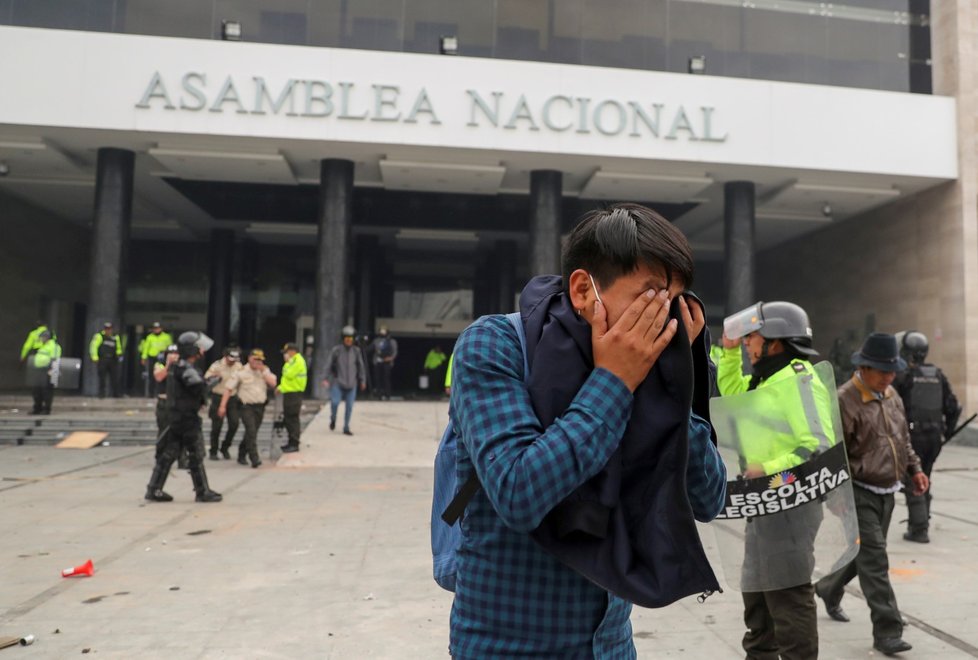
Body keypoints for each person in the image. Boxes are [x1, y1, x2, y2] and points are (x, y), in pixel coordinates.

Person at [448, 203, 726, 657]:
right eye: (651, 295)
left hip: (610, 644)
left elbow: (709, 499)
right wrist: (613, 381)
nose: (666, 317)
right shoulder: (495, 345)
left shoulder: (657, 367)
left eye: (676, 299)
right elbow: (518, 491)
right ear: (584, 290)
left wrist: (678, 383)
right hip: (505, 644)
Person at [717, 301, 832, 660]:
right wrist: (730, 354)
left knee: (788, 597)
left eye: (751, 337)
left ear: (775, 341)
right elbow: (733, 395)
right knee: (757, 598)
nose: (748, 345)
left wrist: (767, 469)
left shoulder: (799, 379)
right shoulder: (766, 378)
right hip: (764, 504)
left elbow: (818, 449)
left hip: (792, 510)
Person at [815, 333, 927, 657]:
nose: (889, 377)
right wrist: (835, 496)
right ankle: (888, 630)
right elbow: (832, 453)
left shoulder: (891, 395)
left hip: (887, 491)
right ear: (863, 368)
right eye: (882, 371)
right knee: (875, 560)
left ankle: (827, 589)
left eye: (893, 371)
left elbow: (902, 439)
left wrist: (915, 470)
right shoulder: (844, 400)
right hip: (857, 492)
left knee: (863, 555)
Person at [893, 331, 960, 543]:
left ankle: (919, 529)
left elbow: (892, 407)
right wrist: (947, 432)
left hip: (913, 436)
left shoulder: (903, 377)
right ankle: (920, 521)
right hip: (934, 438)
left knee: (913, 478)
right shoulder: (937, 375)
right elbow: (953, 407)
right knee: (925, 477)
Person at [144, 331, 222, 503]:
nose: (202, 351)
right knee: (195, 453)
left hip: (177, 416)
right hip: (186, 418)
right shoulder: (185, 367)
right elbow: (196, 386)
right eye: (199, 348)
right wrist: (212, 382)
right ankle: (202, 491)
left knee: (169, 453)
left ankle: (154, 488)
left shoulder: (176, 366)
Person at [218, 348, 277, 468]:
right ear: (250, 358)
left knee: (253, 431)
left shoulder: (264, 371)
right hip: (246, 406)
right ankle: (254, 458)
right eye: (255, 359)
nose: (258, 362)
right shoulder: (241, 371)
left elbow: (273, 383)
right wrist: (222, 406)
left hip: (260, 406)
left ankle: (242, 452)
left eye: (260, 360)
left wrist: (263, 371)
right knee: (251, 430)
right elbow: (228, 389)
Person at [323, 326, 366, 436]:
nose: (348, 341)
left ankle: (346, 427)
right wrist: (325, 378)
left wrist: (362, 380)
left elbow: (361, 367)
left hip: (352, 383)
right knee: (335, 402)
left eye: (350, 339)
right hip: (338, 382)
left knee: (349, 406)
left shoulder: (356, 351)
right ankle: (333, 418)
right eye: (346, 339)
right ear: (343, 339)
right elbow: (328, 365)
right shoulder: (336, 351)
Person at [204, 346, 243, 460]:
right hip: (218, 396)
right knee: (216, 426)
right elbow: (206, 379)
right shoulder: (216, 366)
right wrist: (215, 376)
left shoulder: (239, 366)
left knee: (234, 424)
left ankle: (225, 447)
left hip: (232, 398)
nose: (233, 361)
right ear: (225, 356)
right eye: (231, 358)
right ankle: (213, 450)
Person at [152, 344, 186, 468]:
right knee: (163, 431)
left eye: (176, 353)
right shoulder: (160, 364)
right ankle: (159, 458)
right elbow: (159, 377)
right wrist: (168, 365)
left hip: (178, 403)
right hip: (164, 403)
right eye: (171, 353)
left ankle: (182, 459)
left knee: (181, 432)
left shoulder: (182, 366)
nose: (174, 356)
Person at [278, 342, 308, 453]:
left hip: (294, 394)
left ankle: (294, 443)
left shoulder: (297, 361)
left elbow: (289, 374)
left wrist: (286, 363)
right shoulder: (294, 361)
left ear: (292, 351)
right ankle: (291, 442)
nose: (285, 355)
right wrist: (280, 387)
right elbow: (287, 380)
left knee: (292, 418)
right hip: (289, 393)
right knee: (288, 418)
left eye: (286, 352)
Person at [29, 330, 61, 415]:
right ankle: (37, 408)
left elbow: (55, 359)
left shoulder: (54, 346)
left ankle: (46, 409)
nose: (41, 339)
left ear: (47, 337)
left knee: (47, 391)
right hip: (39, 370)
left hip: (48, 371)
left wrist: (52, 370)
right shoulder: (43, 346)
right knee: (36, 390)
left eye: (43, 337)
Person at [89, 321, 123, 398]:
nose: (108, 330)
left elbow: (118, 348)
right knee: (102, 377)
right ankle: (102, 394)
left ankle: (116, 394)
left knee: (115, 377)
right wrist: (94, 357)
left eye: (109, 329)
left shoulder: (115, 337)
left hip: (113, 359)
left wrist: (119, 354)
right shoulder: (99, 336)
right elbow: (93, 346)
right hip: (102, 359)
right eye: (106, 329)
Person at [140, 322, 173, 397]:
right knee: (152, 376)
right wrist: (143, 357)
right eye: (155, 328)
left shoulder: (166, 337)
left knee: (162, 375)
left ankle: (161, 393)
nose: (156, 330)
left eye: (158, 328)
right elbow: (146, 348)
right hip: (152, 358)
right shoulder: (150, 337)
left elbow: (170, 348)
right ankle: (151, 394)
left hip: (163, 359)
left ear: (161, 328)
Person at [370, 326, 397, 400]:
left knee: (386, 378)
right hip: (378, 361)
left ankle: (387, 395)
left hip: (387, 362)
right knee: (377, 379)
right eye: (381, 331)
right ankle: (379, 395)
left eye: (384, 331)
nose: (382, 333)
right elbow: (370, 348)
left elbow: (395, 352)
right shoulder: (376, 341)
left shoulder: (392, 341)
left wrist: (390, 358)